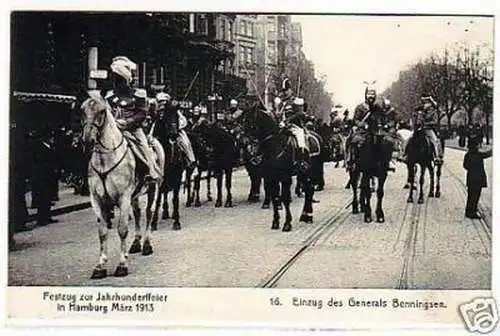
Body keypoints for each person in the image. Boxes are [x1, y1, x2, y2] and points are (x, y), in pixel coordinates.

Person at [105, 56, 160, 180]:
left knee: (144, 147)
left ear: (125, 79)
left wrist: (127, 122)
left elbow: (142, 113)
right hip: (113, 129)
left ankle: (150, 171)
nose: (116, 82)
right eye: (115, 78)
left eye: (119, 79)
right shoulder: (109, 95)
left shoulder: (138, 94)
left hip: (133, 130)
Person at [346, 85, 396, 171]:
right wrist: (363, 125)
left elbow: (382, 118)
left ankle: (387, 161)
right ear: (366, 95)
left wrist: (384, 125)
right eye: (369, 94)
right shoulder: (360, 107)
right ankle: (352, 161)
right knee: (354, 141)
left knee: (388, 142)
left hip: (376, 131)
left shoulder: (379, 107)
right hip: (363, 131)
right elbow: (356, 120)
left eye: (373, 94)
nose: (371, 96)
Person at [156, 92, 196, 169]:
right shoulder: (156, 110)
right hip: (158, 132)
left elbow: (182, 121)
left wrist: (175, 130)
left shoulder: (173, 111)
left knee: (185, 142)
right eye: (160, 101)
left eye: (164, 102)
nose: (162, 104)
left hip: (175, 132)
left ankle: (190, 159)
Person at [462, 138, 492, 219]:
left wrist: (471, 170)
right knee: (476, 196)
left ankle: (468, 211)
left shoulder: (468, 155)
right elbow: (487, 154)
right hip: (478, 179)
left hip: (471, 179)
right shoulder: (479, 154)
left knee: (470, 196)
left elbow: (465, 165)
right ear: (475, 146)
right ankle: (473, 212)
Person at [418, 95, 443, 164]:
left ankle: (436, 156)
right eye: (423, 101)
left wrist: (425, 121)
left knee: (434, 141)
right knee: (410, 139)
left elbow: (433, 120)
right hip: (420, 128)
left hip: (429, 128)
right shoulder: (421, 109)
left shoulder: (432, 109)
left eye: (425, 101)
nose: (424, 103)